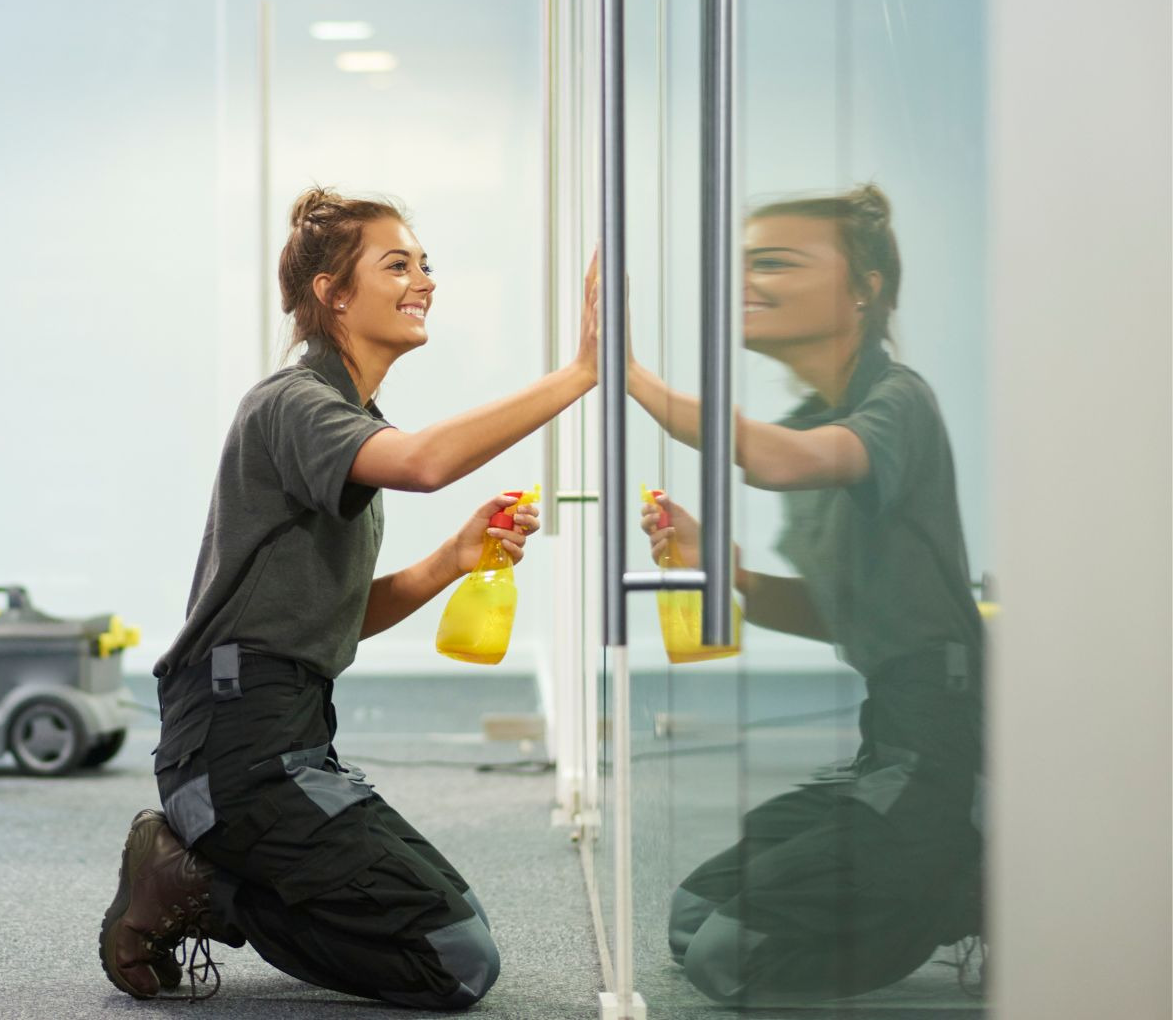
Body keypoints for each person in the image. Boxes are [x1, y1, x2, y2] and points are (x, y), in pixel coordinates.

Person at [98, 188, 599, 1006]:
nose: (423, 279)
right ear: (332, 293)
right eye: (396, 264)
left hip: (290, 738)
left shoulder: (345, 413)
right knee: (455, 962)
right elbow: (426, 462)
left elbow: (325, 619)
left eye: (425, 263)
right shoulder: (295, 402)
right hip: (233, 749)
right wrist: (582, 372)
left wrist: (450, 560)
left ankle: (212, 867)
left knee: (455, 927)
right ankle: (196, 877)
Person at [629, 184, 985, 1004]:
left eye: (777, 263)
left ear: (864, 287)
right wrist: (735, 576)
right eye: (745, 263)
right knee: (696, 916)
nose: (747, 281)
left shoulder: (899, 402)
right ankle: (943, 873)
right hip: (884, 741)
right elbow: (844, 614)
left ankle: (963, 875)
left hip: (941, 748)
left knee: (734, 958)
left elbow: (781, 459)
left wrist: (629, 378)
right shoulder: (817, 413)